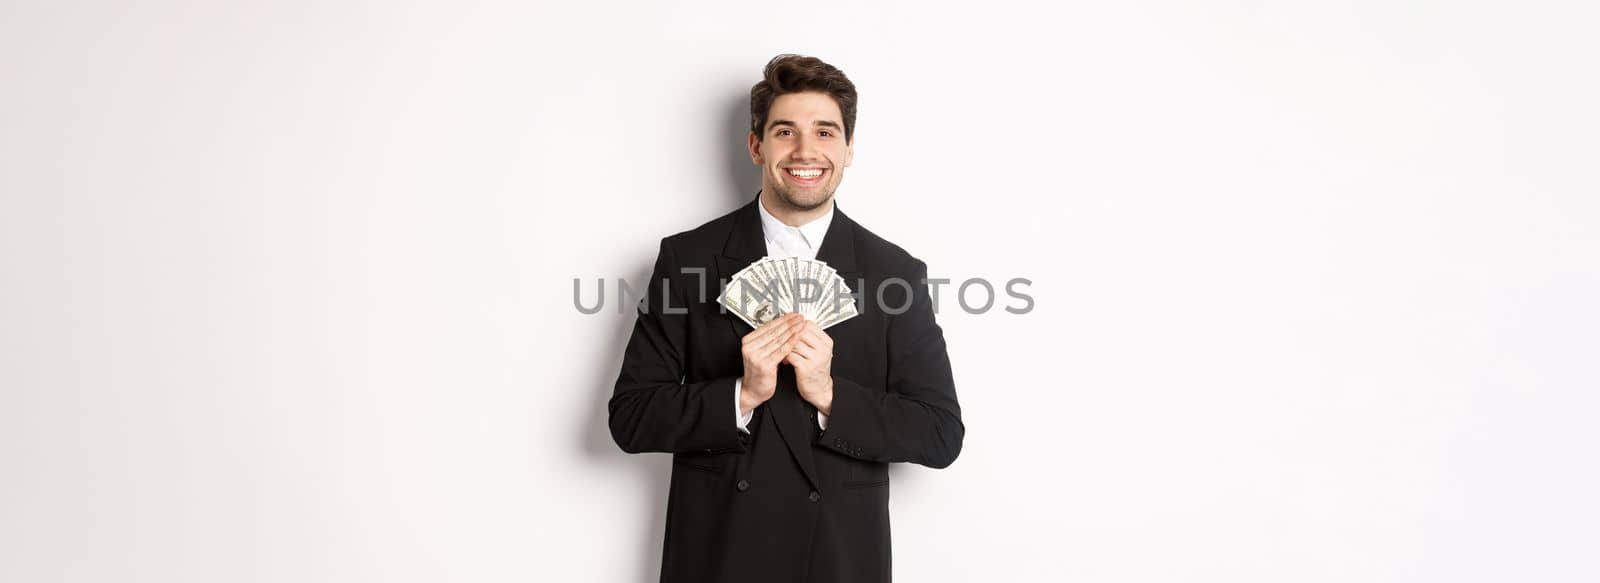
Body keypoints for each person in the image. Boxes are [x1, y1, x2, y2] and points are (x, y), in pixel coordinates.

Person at [609, 53, 964, 583]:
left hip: (841, 558)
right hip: (716, 550)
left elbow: (940, 434)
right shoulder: (688, 259)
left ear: (847, 152)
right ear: (757, 146)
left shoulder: (895, 272)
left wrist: (829, 393)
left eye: (825, 133)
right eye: (785, 131)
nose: (806, 151)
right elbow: (630, 417)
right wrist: (741, 393)